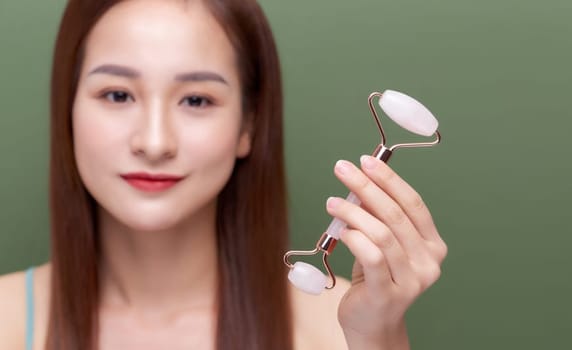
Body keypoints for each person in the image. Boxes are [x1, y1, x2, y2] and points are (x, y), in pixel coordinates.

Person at [0, 0, 448, 349]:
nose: (154, 143)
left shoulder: (343, 325)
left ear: (248, 125)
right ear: (68, 109)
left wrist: (377, 339)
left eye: (196, 100)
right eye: (117, 94)